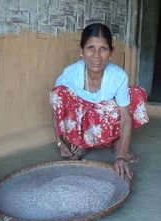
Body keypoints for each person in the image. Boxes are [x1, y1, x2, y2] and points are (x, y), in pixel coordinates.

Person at [50, 23, 149, 182]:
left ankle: (117, 144)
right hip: (84, 121)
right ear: (81, 50)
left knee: (135, 94)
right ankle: (80, 143)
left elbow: (125, 118)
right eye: (90, 48)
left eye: (103, 48)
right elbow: (56, 110)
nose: (96, 55)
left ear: (110, 52)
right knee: (58, 94)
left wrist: (122, 156)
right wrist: (60, 143)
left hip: (104, 120)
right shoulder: (70, 74)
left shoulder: (118, 76)